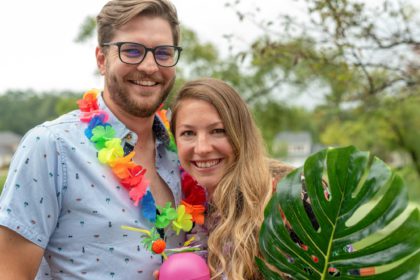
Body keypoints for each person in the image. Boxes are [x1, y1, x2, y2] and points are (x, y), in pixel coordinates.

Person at [0, 0, 185, 278]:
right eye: (132, 51)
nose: (149, 66)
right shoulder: (52, 146)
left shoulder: (187, 149)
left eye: (163, 53)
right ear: (101, 59)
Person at [169, 78, 294, 279]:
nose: (202, 148)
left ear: (241, 134)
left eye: (218, 131)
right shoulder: (186, 209)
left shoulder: (289, 197)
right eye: (188, 133)